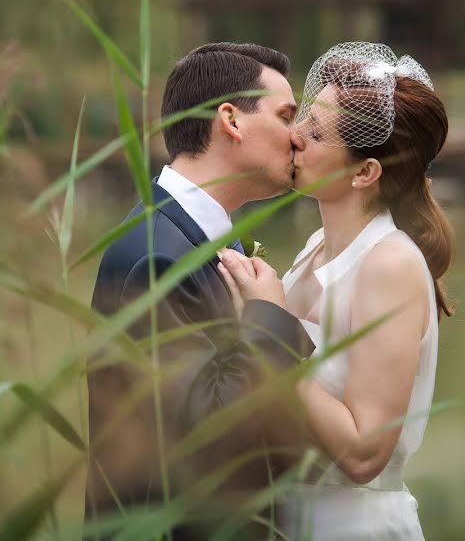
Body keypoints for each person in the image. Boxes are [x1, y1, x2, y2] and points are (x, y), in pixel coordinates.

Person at [218, 42, 455, 540]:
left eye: (315, 131)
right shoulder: (315, 247)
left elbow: (364, 454)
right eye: (301, 117)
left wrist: (269, 331)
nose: (293, 135)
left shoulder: (389, 263)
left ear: (365, 172)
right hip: (286, 518)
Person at [86, 42, 310, 538]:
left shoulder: (194, 239)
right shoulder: (155, 257)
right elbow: (209, 438)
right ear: (231, 120)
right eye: (286, 115)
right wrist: (268, 319)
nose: (300, 137)